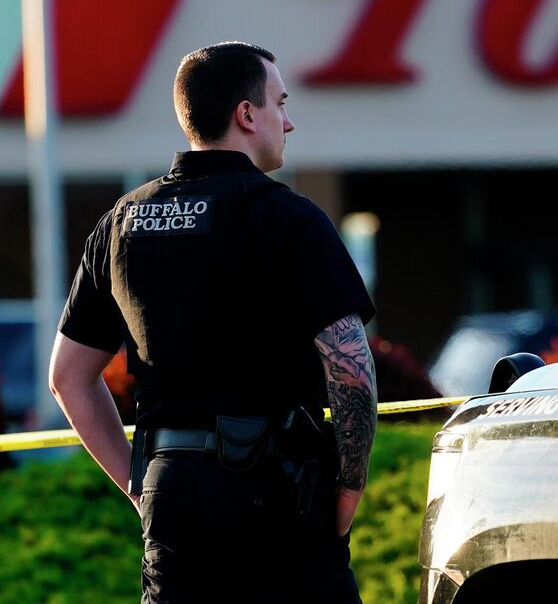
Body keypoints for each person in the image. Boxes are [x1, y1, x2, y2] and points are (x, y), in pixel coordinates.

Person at [48, 41, 377, 603]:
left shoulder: (121, 223)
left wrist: (140, 483)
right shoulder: (288, 217)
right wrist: (348, 489)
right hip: (281, 497)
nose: (289, 121)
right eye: (279, 103)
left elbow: (69, 377)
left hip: (173, 496)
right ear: (246, 115)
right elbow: (351, 371)